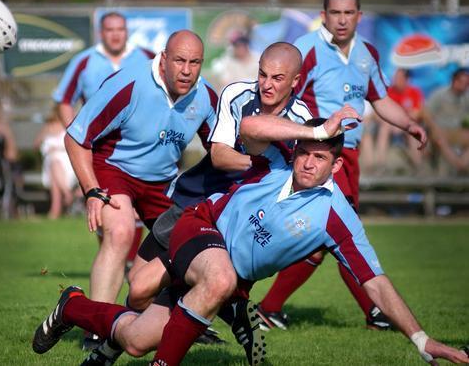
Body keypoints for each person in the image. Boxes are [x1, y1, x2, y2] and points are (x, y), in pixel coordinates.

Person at [32, 118, 469, 366]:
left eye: (320, 157)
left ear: (336, 168)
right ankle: (226, 310)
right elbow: (252, 126)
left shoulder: (338, 218)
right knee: (214, 280)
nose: (308, 162)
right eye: (305, 152)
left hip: (218, 274)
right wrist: (313, 132)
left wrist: (420, 338)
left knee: (136, 338)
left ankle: (72, 305)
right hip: (198, 225)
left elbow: (374, 280)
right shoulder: (275, 161)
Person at [257, 0, 428, 332]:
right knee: (334, 233)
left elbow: (379, 99)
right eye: (335, 12)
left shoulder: (368, 53)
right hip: (316, 153)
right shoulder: (305, 49)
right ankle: (373, 313)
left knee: (331, 235)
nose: (341, 19)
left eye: (349, 13)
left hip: (348, 157)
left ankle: (269, 308)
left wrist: (409, 124)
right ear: (323, 14)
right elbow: (280, 100)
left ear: (359, 16)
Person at [126, 42, 312, 313]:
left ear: (296, 80)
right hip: (193, 198)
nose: (267, 84)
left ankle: (194, 318)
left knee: (149, 288)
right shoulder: (238, 94)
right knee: (136, 283)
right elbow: (220, 157)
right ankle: (221, 313)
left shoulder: (301, 121)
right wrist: (264, 166)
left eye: (277, 78)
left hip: (230, 217)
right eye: (263, 75)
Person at [64, 30, 217, 320]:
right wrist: (92, 191)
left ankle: (183, 320)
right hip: (114, 169)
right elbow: (75, 137)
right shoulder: (129, 84)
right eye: (179, 61)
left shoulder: (206, 97)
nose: (186, 70)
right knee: (120, 233)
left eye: (195, 62)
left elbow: (220, 151)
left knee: (188, 242)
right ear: (163, 59)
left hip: (163, 181)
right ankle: (98, 326)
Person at [52, 11, 154, 127]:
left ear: (127, 32)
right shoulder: (83, 61)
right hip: (96, 141)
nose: (115, 34)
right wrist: (75, 137)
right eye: (110, 30)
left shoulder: (149, 58)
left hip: (140, 138)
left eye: (120, 29)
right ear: (100, 33)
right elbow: (65, 101)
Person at [375, 68, 426, 173]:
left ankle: (419, 167)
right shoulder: (388, 92)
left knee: (412, 130)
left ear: (407, 79)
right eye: (395, 77)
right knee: (384, 127)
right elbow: (378, 113)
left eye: (398, 78)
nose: (395, 80)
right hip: (391, 125)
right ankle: (381, 166)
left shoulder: (414, 92)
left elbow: (416, 114)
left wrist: (401, 122)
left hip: (407, 125)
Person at [423, 68, 469, 174]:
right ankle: (457, 166)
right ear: (455, 81)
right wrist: (434, 128)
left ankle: (462, 165)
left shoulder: (466, 97)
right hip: (440, 131)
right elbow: (426, 113)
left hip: (456, 132)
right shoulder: (439, 95)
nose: (466, 85)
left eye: (467, 83)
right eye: (463, 82)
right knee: (441, 139)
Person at [34, 108, 77, 219]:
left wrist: (57, 148)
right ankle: (66, 194)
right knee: (53, 163)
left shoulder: (70, 126)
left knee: (55, 164)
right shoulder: (47, 127)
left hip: (67, 164)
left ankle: (55, 210)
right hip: (50, 163)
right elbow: (36, 146)